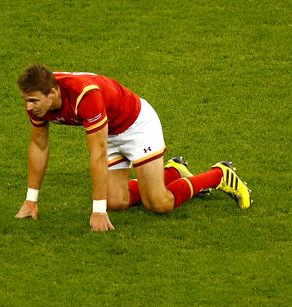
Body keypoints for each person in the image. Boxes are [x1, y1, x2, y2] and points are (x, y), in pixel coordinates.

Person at [14, 63, 252, 232]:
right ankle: (175, 171)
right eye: (26, 100)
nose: (28, 107)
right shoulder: (41, 103)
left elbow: (97, 154)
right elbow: (39, 146)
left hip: (137, 126)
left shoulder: (85, 96)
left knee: (159, 204)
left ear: (52, 93)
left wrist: (97, 211)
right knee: (115, 202)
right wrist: (30, 200)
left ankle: (219, 174)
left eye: (33, 100)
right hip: (109, 130)